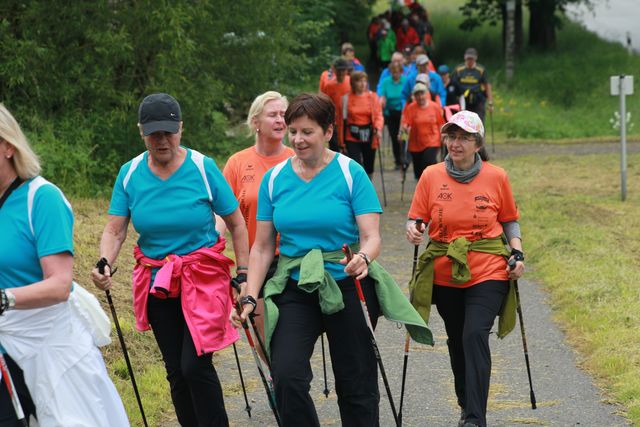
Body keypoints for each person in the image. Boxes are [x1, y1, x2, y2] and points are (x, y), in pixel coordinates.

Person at [234, 93, 430, 427]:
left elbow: (372, 236)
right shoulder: (275, 179)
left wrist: (363, 258)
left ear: (328, 132)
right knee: (287, 376)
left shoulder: (351, 173)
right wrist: (250, 295)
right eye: (293, 131)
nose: (298, 139)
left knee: (356, 383)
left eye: (307, 132)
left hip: (347, 283)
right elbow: (262, 247)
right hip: (295, 285)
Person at [91, 93, 249, 427]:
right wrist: (104, 261)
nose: (162, 140)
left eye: (168, 132)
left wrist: (244, 273)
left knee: (196, 365)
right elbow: (115, 230)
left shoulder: (202, 168)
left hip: (202, 278)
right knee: (176, 371)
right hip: (158, 281)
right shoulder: (130, 173)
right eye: (154, 133)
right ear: (141, 132)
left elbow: (236, 223)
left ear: (181, 128)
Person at [0, 103, 129, 426]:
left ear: (8, 146)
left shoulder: (42, 198)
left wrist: (5, 298)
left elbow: (59, 284)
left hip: (50, 340)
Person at [405, 110, 524, 427]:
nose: (455, 143)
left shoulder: (496, 177)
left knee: (474, 335)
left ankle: (474, 418)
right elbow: (416, 218)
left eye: (464, 138)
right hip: (445, 271)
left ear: (477, 144)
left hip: (488, 268)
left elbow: (509, 220)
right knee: (457, 340)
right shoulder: (431, 175)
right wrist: (414, 229)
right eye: (451, 136)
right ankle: (466, 402)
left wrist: (518, 253)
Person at [222, 91, 294, 349]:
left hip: (292, 257)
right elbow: (222, 213)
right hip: (257, 260)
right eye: (273, 115)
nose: (280, 120)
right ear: (255, 122)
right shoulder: (237, 163)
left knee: (292, 336)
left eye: (284, 115)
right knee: (266, 338)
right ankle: (277, 374)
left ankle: (290, 373)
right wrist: (211, 246)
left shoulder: (296, 159)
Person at [336, 71, 384, 178]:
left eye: (365, 81)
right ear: (353, 83)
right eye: (359, 81)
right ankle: (357, 185)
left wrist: (378, 128)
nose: (363, 84)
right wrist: (341, 141)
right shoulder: (345, 99)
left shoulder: (373, 97)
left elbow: (378, 115)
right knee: (355, 165)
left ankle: (368, 183)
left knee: (369, 165)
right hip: (351, 136)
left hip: (369, 135)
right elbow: (340, 122)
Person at [399, 82, 445, 179]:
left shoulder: (435, 107)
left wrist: (443, 136)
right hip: (415, 144)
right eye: (417, 94)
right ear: (414, 96)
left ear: (426, 94)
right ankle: (422, 185)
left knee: (428, 162)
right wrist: (403, 133)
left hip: (432, 141)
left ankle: (433, 182)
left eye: (422, 94)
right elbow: (405, 123)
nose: (420, 97)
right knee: (419, 172)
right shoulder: (411, 108)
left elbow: (441, 123)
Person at [450, 48, 494, 123]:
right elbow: (452, 84)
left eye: (471, 59)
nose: (470, 61)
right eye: (468, 59)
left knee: (479, 121)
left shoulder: (481, 70)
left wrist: (490, 102)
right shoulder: (459, 70)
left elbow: (487, 86)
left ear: (475, 58)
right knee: (464, 122)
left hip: (478, 99)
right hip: (463, 100)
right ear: (465, 57)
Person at [378, 61, 407, 169]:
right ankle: (398, 161)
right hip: (390, 113)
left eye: (397, 72)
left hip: (403, 112)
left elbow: (408, 94)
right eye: (393, 72)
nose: (395, 74)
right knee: (394, 137)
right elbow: (381, 93)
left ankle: (404, 159)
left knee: (403, 136)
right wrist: (382, 99)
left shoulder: (405, 81)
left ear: (401, 72)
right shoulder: (386, 81)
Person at [320, 58, 352, 152]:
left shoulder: (350, 81)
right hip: (334, 121)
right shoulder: (329, 85)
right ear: (334, 70)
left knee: (349, 148)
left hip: (349, 120)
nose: (341, 73)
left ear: (347, 70)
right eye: (339, 70)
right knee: (335, 147)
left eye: (343, 70)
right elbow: (325, 103)